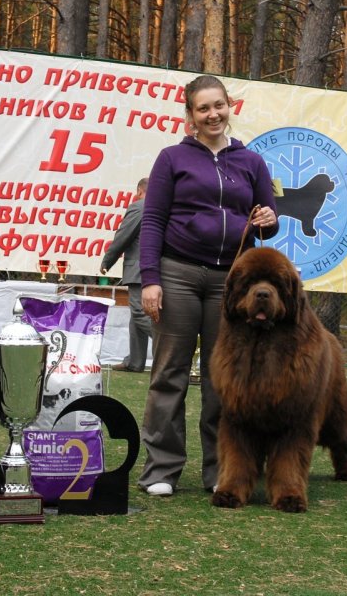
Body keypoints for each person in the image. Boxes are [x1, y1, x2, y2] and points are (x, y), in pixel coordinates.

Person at [138, 74, 279, 496]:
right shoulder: (170, 159)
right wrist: (150, 280)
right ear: (190, 116)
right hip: (177, 274)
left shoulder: (251, 162)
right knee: (169, 374)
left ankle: (222, 471)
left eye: (219, 105)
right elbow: (152, 221)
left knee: (224, 380)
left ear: (228, 107)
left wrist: (270, 221)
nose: (213, 114)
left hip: (231, 284)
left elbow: (266, 221)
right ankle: (161, 470)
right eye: (203, 108)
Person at [100, 177, 152, 373]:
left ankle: (171, 347)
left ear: (139, 191)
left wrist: (108, 260)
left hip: (140, 269)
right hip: (156, 268)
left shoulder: (139, 206)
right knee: (136, 316)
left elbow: (123, 235)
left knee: (140, 313)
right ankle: (135, 362)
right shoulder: (163, 206)